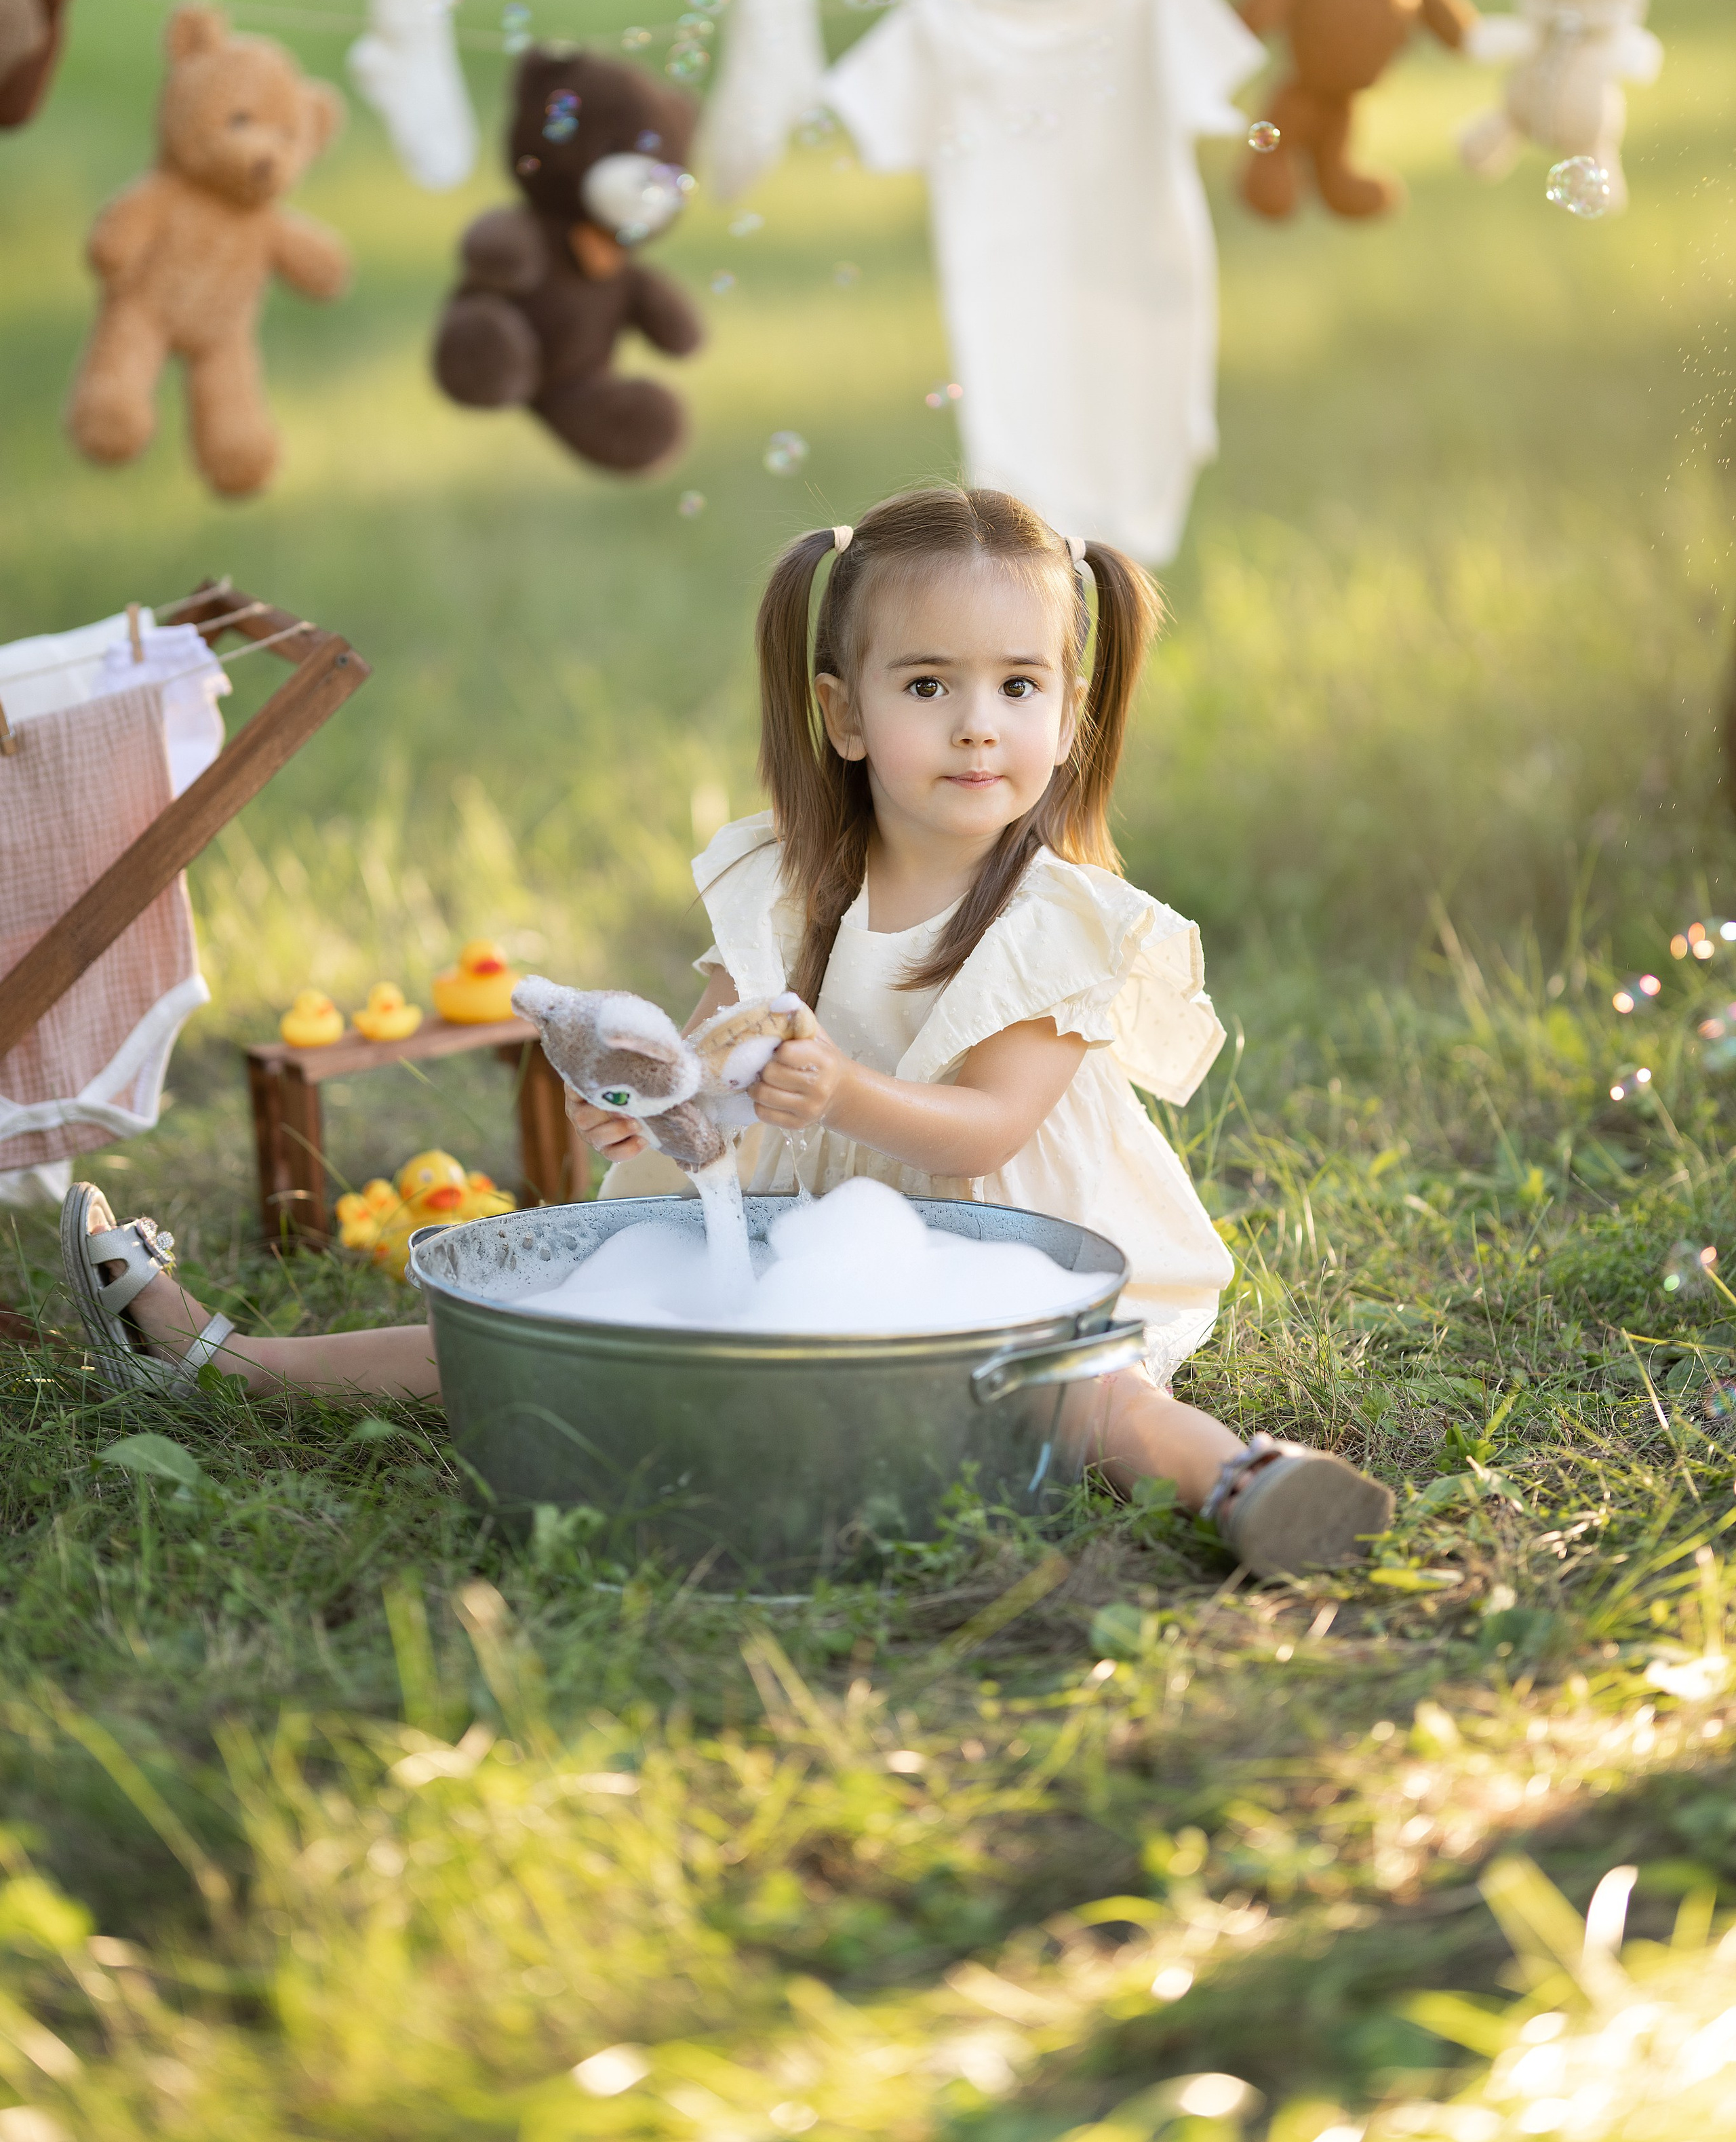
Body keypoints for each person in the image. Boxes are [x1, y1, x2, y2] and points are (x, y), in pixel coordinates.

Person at [61, 485, 1392, 1575]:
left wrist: (841, 1091)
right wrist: (644, 1102)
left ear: (1070, 711)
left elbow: (991, 1127)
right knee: (559, 1319)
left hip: (991, 1257)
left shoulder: (1061, 922)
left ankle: (1241, 1480)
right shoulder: (786, 883)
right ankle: (234, 1363)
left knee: (1094, 1396)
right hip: (796, 1235)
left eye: (1017, 685)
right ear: (844, 714)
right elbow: (703, 1054)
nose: (978, 724)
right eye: (928, 685)